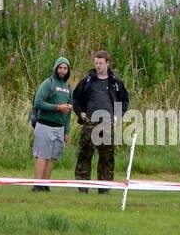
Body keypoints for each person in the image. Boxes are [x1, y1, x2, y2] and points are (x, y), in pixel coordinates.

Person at [72, 50, 130, 193]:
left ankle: (104, 188)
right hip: (90, 122)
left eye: (101, 63)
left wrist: (118, 115)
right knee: (85, 154)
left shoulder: (115, 82)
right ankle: (83, 187)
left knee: (106, 156)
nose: (98, 66)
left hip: (107, 123)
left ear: (107, 63)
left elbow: (124, 100)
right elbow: (75, 98)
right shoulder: (87, 81)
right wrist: (80, 112)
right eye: (96, 63)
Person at [30, 57, 73, 191]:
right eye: (60, 68)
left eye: (65, 68)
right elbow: (38, 103)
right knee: (42, 155)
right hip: (44, 125)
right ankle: (37, 185)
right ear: (55, 68)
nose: (62, 70)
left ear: (68, 70)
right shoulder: (48, 83)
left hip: (59, 127)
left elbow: (69, 110)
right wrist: (57, 108)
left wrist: (67, 130)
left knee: (52, 157)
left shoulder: (68, 87)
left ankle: (45, 185)